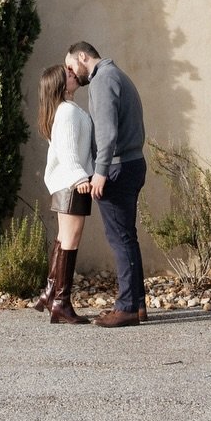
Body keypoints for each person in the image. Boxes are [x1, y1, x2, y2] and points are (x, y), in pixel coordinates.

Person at [64, 41, 147, 327]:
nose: (72, 72)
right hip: (131, 164)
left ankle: (126, 308)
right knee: (127, 237)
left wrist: (100, 171)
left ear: (83, 56)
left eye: (71, 65)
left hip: (117, 168)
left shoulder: (103, 80)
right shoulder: (117, 75)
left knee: (120, 238)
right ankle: (137, 305)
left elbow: (107, 131)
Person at [34, 61, 94, 325]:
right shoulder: (67, 112)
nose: (73, 75)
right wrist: (80, 177)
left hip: (64, 183)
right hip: (71, 184)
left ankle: (51, 292)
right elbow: (68, 150)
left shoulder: (62, 110)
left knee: (63, 239)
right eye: (68, 74)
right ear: (61, 85)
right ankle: (61, 303)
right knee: (71, 240)